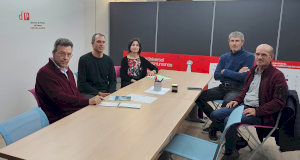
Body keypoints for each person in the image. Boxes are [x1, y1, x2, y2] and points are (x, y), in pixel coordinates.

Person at [210, 44, 288, 160]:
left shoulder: (278, 76)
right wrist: (236, 100)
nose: (259, 57)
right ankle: (238, 141)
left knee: (229, 121)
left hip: (263, 113)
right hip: (244, 105)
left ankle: (231, 153)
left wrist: (258, 111)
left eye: (264, 55)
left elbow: (280, 101)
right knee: (215, 115)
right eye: (257, 54)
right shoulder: (252, 71)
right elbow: (244, 91)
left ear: (271, 57)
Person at [189, 31, 255, 130]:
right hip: (222, 87)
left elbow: (245, 77)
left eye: (237, 41)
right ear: (229, 42)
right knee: (199, 97)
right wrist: (237, 73)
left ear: (242, 42)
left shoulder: (249, 56)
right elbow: (216, 75)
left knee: (227, 105)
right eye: (232, 41)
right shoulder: (224, 57)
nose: (234, 43)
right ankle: (216, 124)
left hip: (237, 89)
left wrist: (225, 71)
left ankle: (213, 128)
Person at [35, 38, 103, 124]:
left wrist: (87, 104)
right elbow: (60, 99)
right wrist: (87, 101)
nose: (65, 58)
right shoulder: (45, 73)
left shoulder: (67, 70)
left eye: (69, 54)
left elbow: (76, 92)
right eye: (62, 53)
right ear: (53, 53)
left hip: (73, 114)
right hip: (58, 120)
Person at [78, 33, 117, 99]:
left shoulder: (109, 60)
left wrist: (110, 93)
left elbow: (113, 80)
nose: (101, 44)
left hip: (106, 92)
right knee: (98, 104)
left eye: (103, 42)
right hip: (90, 93)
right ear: (92, 43)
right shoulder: (84, 59)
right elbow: (82, 83)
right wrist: (98, 93)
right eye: (98, 42)